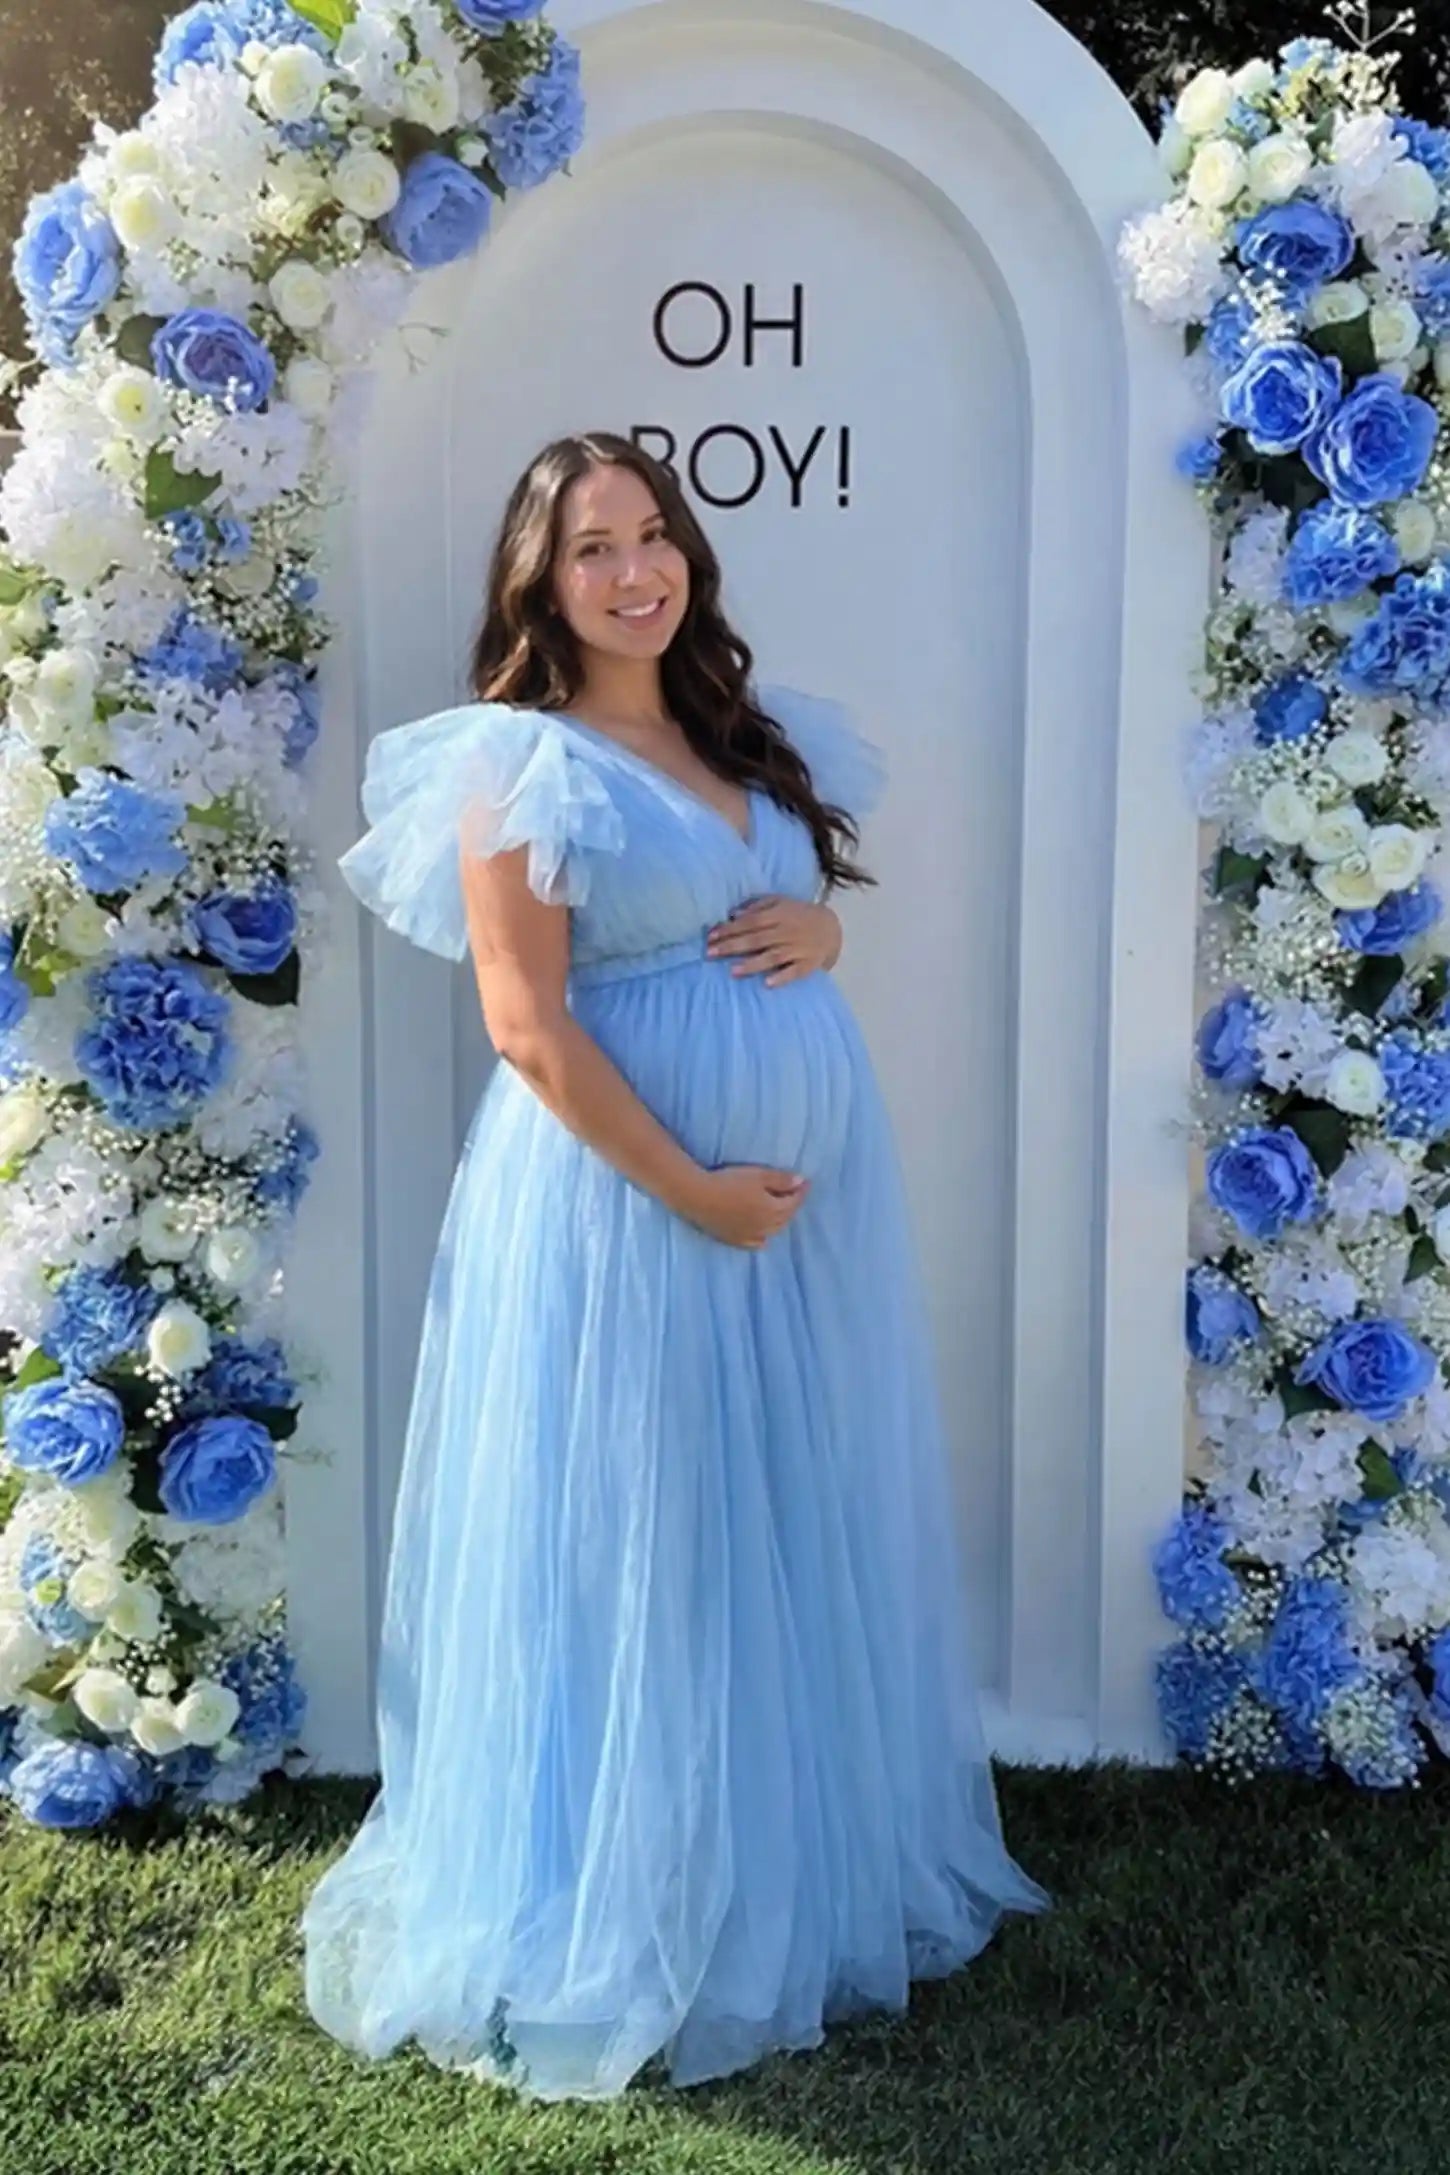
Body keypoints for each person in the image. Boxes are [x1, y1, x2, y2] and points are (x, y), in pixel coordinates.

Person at [300, 429, 1051, 2100]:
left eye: (655, 537)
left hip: (794, 1228)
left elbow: (776, 906)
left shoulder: (738, 739)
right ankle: (634, 1897)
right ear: (536, 581)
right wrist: (695, 1191)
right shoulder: (519, 764)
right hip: (622, 1208)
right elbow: (527, 1027)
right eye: (592, 548)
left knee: (773, 1515)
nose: (636, 570)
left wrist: (829, 928)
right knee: (642, 1530)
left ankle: (779, 1862)